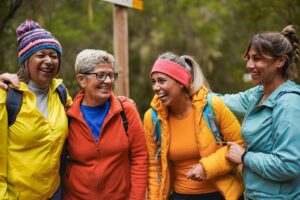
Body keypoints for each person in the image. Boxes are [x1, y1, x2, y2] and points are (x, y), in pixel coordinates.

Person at [143, 52, 244, 200]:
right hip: (180, 196)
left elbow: (239, 144)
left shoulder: (212, 106)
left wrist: (207, 167)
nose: (156, 87)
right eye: (153, 81)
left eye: (162, 81)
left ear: (181, 82)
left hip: (221, 194)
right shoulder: (152, 118)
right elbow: (154, 167)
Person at [224, 25, 300, 200]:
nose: (250, 65)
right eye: (249, 58)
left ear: (280, 61)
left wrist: (245, 157)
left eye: (257, 59)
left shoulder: (289, 104)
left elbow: (289, 164)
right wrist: (190, 87)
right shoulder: (258, 94)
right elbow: (221, 101)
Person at [0, 19, 72, 199]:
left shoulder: (60, 92)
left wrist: (117, 101)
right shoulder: (7, 96)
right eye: (41, 55)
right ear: (26, 60)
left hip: (54, 192)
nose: (49, 61)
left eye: (54, 56)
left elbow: (84, 109)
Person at [62, 49, 148, 199]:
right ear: (82, 79)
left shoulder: (126, 111)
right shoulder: (68, 117)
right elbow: (58, 163)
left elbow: (139, 158)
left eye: (111, 75)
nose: (108, 81)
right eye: (101, 75)